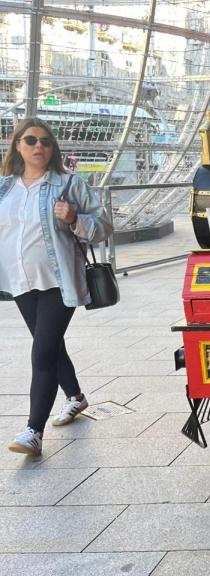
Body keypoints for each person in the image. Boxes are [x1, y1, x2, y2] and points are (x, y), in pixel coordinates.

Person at [1, 118, 112, 456]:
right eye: (31, 140)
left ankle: (33, 431)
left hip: (57, 281)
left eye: (46, 142)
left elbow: (104, 225)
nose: (39, 147)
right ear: (18, 145)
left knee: (42, 352)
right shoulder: (5, 187)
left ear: (53, 149)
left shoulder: (68, 184)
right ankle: (76, 398)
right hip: (20, 281)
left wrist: (74, 219)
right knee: (48, 344)